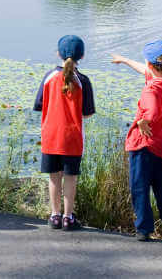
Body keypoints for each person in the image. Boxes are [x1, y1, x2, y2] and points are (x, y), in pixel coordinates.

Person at [113, 40, 162, 243]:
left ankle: (143, 229)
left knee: (140, 187)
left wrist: (144, 120)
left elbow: (150, 109)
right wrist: (124, 60)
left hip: (143, 145)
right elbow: (146, 69)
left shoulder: (150, 89)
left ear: (151, 65)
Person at [34, 35, 95, 231]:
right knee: (70, 178)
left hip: (51, 136)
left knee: (54, 176)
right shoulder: (83, 81)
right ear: (82, 56)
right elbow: (86, 114)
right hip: (73, 138)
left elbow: (39, 105)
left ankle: (55, 216)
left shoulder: (49, 77)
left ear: (58, 53)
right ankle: (68, 217)